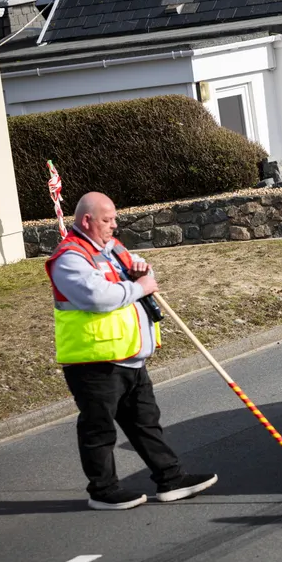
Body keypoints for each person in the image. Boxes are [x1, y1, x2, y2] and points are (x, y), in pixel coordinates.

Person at [44, 192, 217, 510]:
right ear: (87, 220)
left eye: (114, 218)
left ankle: (171, 478)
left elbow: (144, 277)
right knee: (99, 427)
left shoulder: (113, 249)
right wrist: (140, 287)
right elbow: (96, 297)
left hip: (129, 354)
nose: (114, 225)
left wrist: (142, 274)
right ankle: (103, 490)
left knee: (145, 421)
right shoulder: (69, 257)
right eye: (107, 219)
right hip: (94, 360)